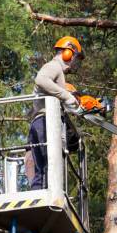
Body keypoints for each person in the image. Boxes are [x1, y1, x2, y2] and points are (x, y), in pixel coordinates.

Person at [28, 36, 84, 190]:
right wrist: (67, 96)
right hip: (46, 123)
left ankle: (38, 201)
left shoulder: (58, 73)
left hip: (40, 122)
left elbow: (56, 94)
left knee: (43, 170)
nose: (74, 62)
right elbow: (41, 80)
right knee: (50, 167)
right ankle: (49, 197)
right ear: (68, 53)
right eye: (75, 57)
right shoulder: (54, 66)